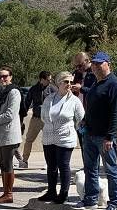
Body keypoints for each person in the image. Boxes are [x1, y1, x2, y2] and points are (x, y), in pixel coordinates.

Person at [76, 52, 117, 210]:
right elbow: (91, 107)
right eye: (94, 64)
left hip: (105, 136)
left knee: (111, 170)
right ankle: (90, 199)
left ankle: (113, 202)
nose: (96, 67)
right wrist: (84, 120)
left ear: (108, 64)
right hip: (90, 133)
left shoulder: (114, 84)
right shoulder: (97, 84)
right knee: (90, 168)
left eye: (99, 64)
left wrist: (110, 136)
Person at [36, 70, 84, 203]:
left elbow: (81, 119)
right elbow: (43, 117)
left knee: (63, 165)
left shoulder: (74, 101)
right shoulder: (49, 99)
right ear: (59, 83)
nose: (69, 84)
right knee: (51, 166)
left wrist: (74, 130)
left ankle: (64, 193)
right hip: (48, 137)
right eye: (66, 82)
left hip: (65, 138)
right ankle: (51, 191)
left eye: (70, 82)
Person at [0, 65, 22, 203]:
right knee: (1, 163)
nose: (2, 79)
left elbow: (10, 114)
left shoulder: (14, 92)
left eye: (5, 76)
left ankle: (9, 193)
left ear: (10, 77)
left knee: (7, 164)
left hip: (9, 134)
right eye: (0, 76)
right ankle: (5, 192)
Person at [19, 71, 52, 168]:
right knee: (29, 139)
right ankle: (24, 161)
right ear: (41, 79)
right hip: (36, 118)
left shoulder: (53, 89)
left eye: (50, 80)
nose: (49, 82)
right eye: (47, 80)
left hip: (48, 119)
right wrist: (22, 116)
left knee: (48, 141)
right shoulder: (33, 89)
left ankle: (49, 162)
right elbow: (27, 102)